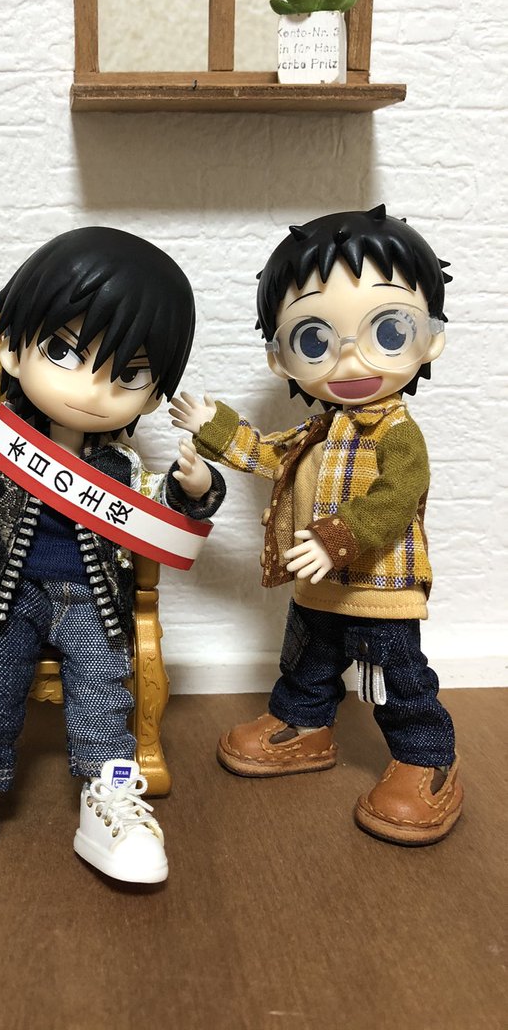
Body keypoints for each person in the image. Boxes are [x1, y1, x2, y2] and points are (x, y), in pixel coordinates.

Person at [0, 226, 225, 889]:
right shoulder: (7, 451)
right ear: (14, 352)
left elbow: (156, 505)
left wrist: (193, 490)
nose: (92, 388)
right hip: (11, 597)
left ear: (153, 394)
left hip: (95, 603)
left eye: (127, 374)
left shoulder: (123, 466)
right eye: (63, 352)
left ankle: (109, 793)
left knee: (103, 695)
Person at [173, 206, 462, 845]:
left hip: (381, 590)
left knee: (399, 680)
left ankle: (427, 761)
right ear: (281, 359)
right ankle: (304, 727)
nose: (350, 361)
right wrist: (211, 426)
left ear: (431, 339)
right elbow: (267, 454)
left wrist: (335, 540)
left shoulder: (398, 435)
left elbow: (397, 496)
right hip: (318, 589)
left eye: (389, 331)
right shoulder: (317, 431)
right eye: (315, 341)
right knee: (308, 663)